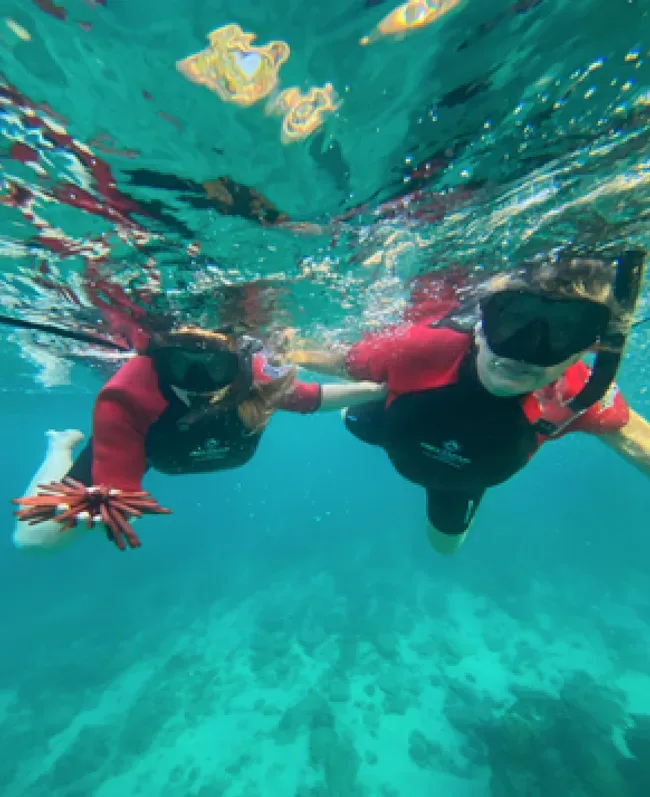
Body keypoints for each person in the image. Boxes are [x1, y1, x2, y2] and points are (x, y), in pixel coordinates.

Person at [286, 251, 650, 555]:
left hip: (457, 484)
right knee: (353, 419)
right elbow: (335, 359)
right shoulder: (419, 348)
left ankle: (384, 388)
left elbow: (636, 440)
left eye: (564, 332)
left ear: (588, 348)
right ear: (480, 323)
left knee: (445, 548)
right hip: (384, 425)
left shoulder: (577, 394)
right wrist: (280, 348)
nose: (525, 351)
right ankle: (381, 390)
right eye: (512, 321)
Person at [13, 325, 385, 553]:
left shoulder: (256, 376)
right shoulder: (125, 396)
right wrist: (113, 507)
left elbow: (313, 398)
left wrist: (383, 388)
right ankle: (59, 446)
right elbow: (119, 493)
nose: (197, 379)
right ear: (159, 360)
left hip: (175, 444)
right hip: (138, 445)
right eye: (181, 363)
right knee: (34, 541)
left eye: (213, 365)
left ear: (236, 361)